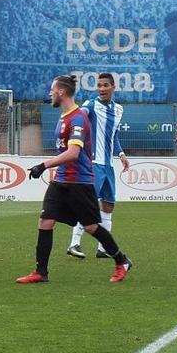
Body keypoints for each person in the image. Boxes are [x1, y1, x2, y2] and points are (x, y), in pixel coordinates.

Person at [17, 75, 132, 284]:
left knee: (91, 226)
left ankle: (121, 260)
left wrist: (43, 166)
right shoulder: (64, 116)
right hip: (62, 180)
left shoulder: (78, 117)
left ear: (61, 92)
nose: (50, 93)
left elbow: (73, 153)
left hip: (80, 181)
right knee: (45, 221)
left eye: (52, 90)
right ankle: (40, 272)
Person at [67, 73, 130, 259]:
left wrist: (121, 153)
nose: (101, 89)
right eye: (99, 86)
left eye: (105, 85)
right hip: (93, 163)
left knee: (109, 205)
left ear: (113, 87)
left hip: (108, 165)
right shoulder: (91, 105)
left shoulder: (119, 109)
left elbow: (114, 135)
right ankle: (74, 243)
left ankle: (103, 248)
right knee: (87, 205)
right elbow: (80, 116)